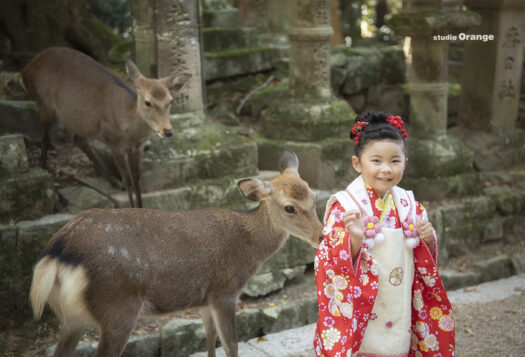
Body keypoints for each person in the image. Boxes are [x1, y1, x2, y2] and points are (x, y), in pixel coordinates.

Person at [314, 112, 455, 357]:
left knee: (397, 345)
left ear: (405, 162)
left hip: (398, 298)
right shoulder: (345, 206)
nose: (386, 169)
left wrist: (428, 238)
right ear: (357, 163)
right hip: (364, 306)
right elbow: (332, 262)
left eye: (395, 161)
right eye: (376, 161)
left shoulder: (409, 204)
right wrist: (355, 238)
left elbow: (425, 255)